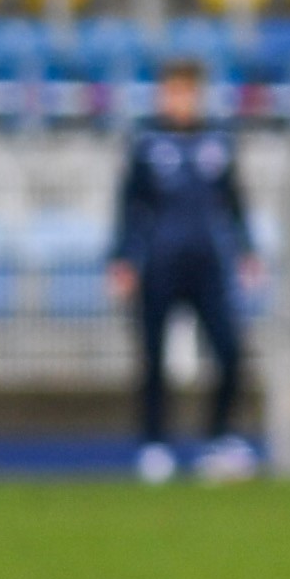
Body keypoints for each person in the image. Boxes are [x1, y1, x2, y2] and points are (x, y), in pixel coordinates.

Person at [107, 57, 259, 485]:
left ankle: (218, 439)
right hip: (159, 264)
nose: (179, 100)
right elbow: (129, 206)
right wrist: (121, 259)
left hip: (207, 264)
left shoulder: (217, 140)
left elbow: (234, 202)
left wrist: (247, 251)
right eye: (172, 91)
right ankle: (154, 443)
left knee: (229, 352)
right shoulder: (146, 141)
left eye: (186, 91)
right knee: (153, 358)